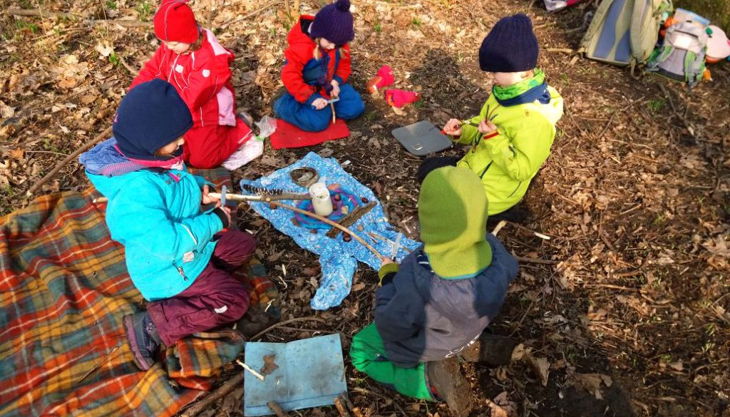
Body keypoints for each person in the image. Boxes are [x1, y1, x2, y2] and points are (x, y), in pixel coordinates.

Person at [80, 79, 256, 370]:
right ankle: (154, 324)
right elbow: (167, 243)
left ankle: (207, 278)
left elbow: (180, 187)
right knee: (235, 300)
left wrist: (200, 190)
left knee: (243, 246)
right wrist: (213, 221)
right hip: (170, 269)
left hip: (193, 250)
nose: (183, 142)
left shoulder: (161, 158)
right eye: (175, 139)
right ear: (149, 143)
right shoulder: (135, 193)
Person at [349, 166, 519, 417]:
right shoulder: (498, 255)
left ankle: (429, 380)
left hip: (427, 344)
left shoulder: (419, 280)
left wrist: (388, 280)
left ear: (426, 221)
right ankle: (473, 348)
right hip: (465, 330)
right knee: (456, 337)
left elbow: (391, 325)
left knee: (360, 350)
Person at [426, 14, 564, 223]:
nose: (491, 78)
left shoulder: (535, 119)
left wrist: (493, 138)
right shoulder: (505, 92)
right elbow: (484, 123)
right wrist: (463, 130)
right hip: (477, 167)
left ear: (522, 70)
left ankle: (501, 213)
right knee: (428, 170)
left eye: (495, 72)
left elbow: (522, 169)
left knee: (441, 209)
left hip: (493, 193)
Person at [130, 0, 260, 170]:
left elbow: (193, 96)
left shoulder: (210, 59)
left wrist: (160, 108)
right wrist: (135, 95)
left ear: (189, 35)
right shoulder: (172, 47)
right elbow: (153, 70)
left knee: (204, 160)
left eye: (174, 43)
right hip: (179, 109)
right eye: (165, 42)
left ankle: (240, 129)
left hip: (207, 113)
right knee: (180, 153)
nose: (169, 47)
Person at [274, 0, 365, 132]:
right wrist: (311, 98)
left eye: (337, 44)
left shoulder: (337, 41)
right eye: (329, 42)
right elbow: (289, 76)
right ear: (318, 33)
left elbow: (344, 66)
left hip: (328, 86)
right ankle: (282, 105)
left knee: (355, 107)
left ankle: (326, 108)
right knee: (317, 123)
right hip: (305, 90)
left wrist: (336, 82)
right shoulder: (301, 48)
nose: (333, 47)